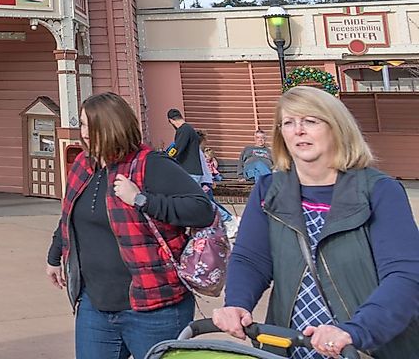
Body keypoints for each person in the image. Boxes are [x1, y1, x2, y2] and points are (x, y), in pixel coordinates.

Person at [213, 86, 419, 359]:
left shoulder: (378, 191)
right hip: (291, 345)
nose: (298, 130)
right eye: (288, 122)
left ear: (337, 127)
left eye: (310, 121)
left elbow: (404, 276)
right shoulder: (269, 189)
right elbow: (251, 259)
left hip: (366, 345)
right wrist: (237, 302)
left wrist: (355, 331)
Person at [47, 92, 212, 359]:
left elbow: (202, 210)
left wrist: (141, 199)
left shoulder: (150, 164)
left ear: (114, 126)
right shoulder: (82, 165)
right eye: (83, 124)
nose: (86, 133)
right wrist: (54, 256)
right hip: (95, 304)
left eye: (93, 125)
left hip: (154, 307)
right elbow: (69, 215)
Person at [166, 108, 205, 183]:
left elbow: (177, 149)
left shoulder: (183, 130)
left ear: (171, 121)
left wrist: (166, 157)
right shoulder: (189, 129)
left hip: (189, 172)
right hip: (194, 171)